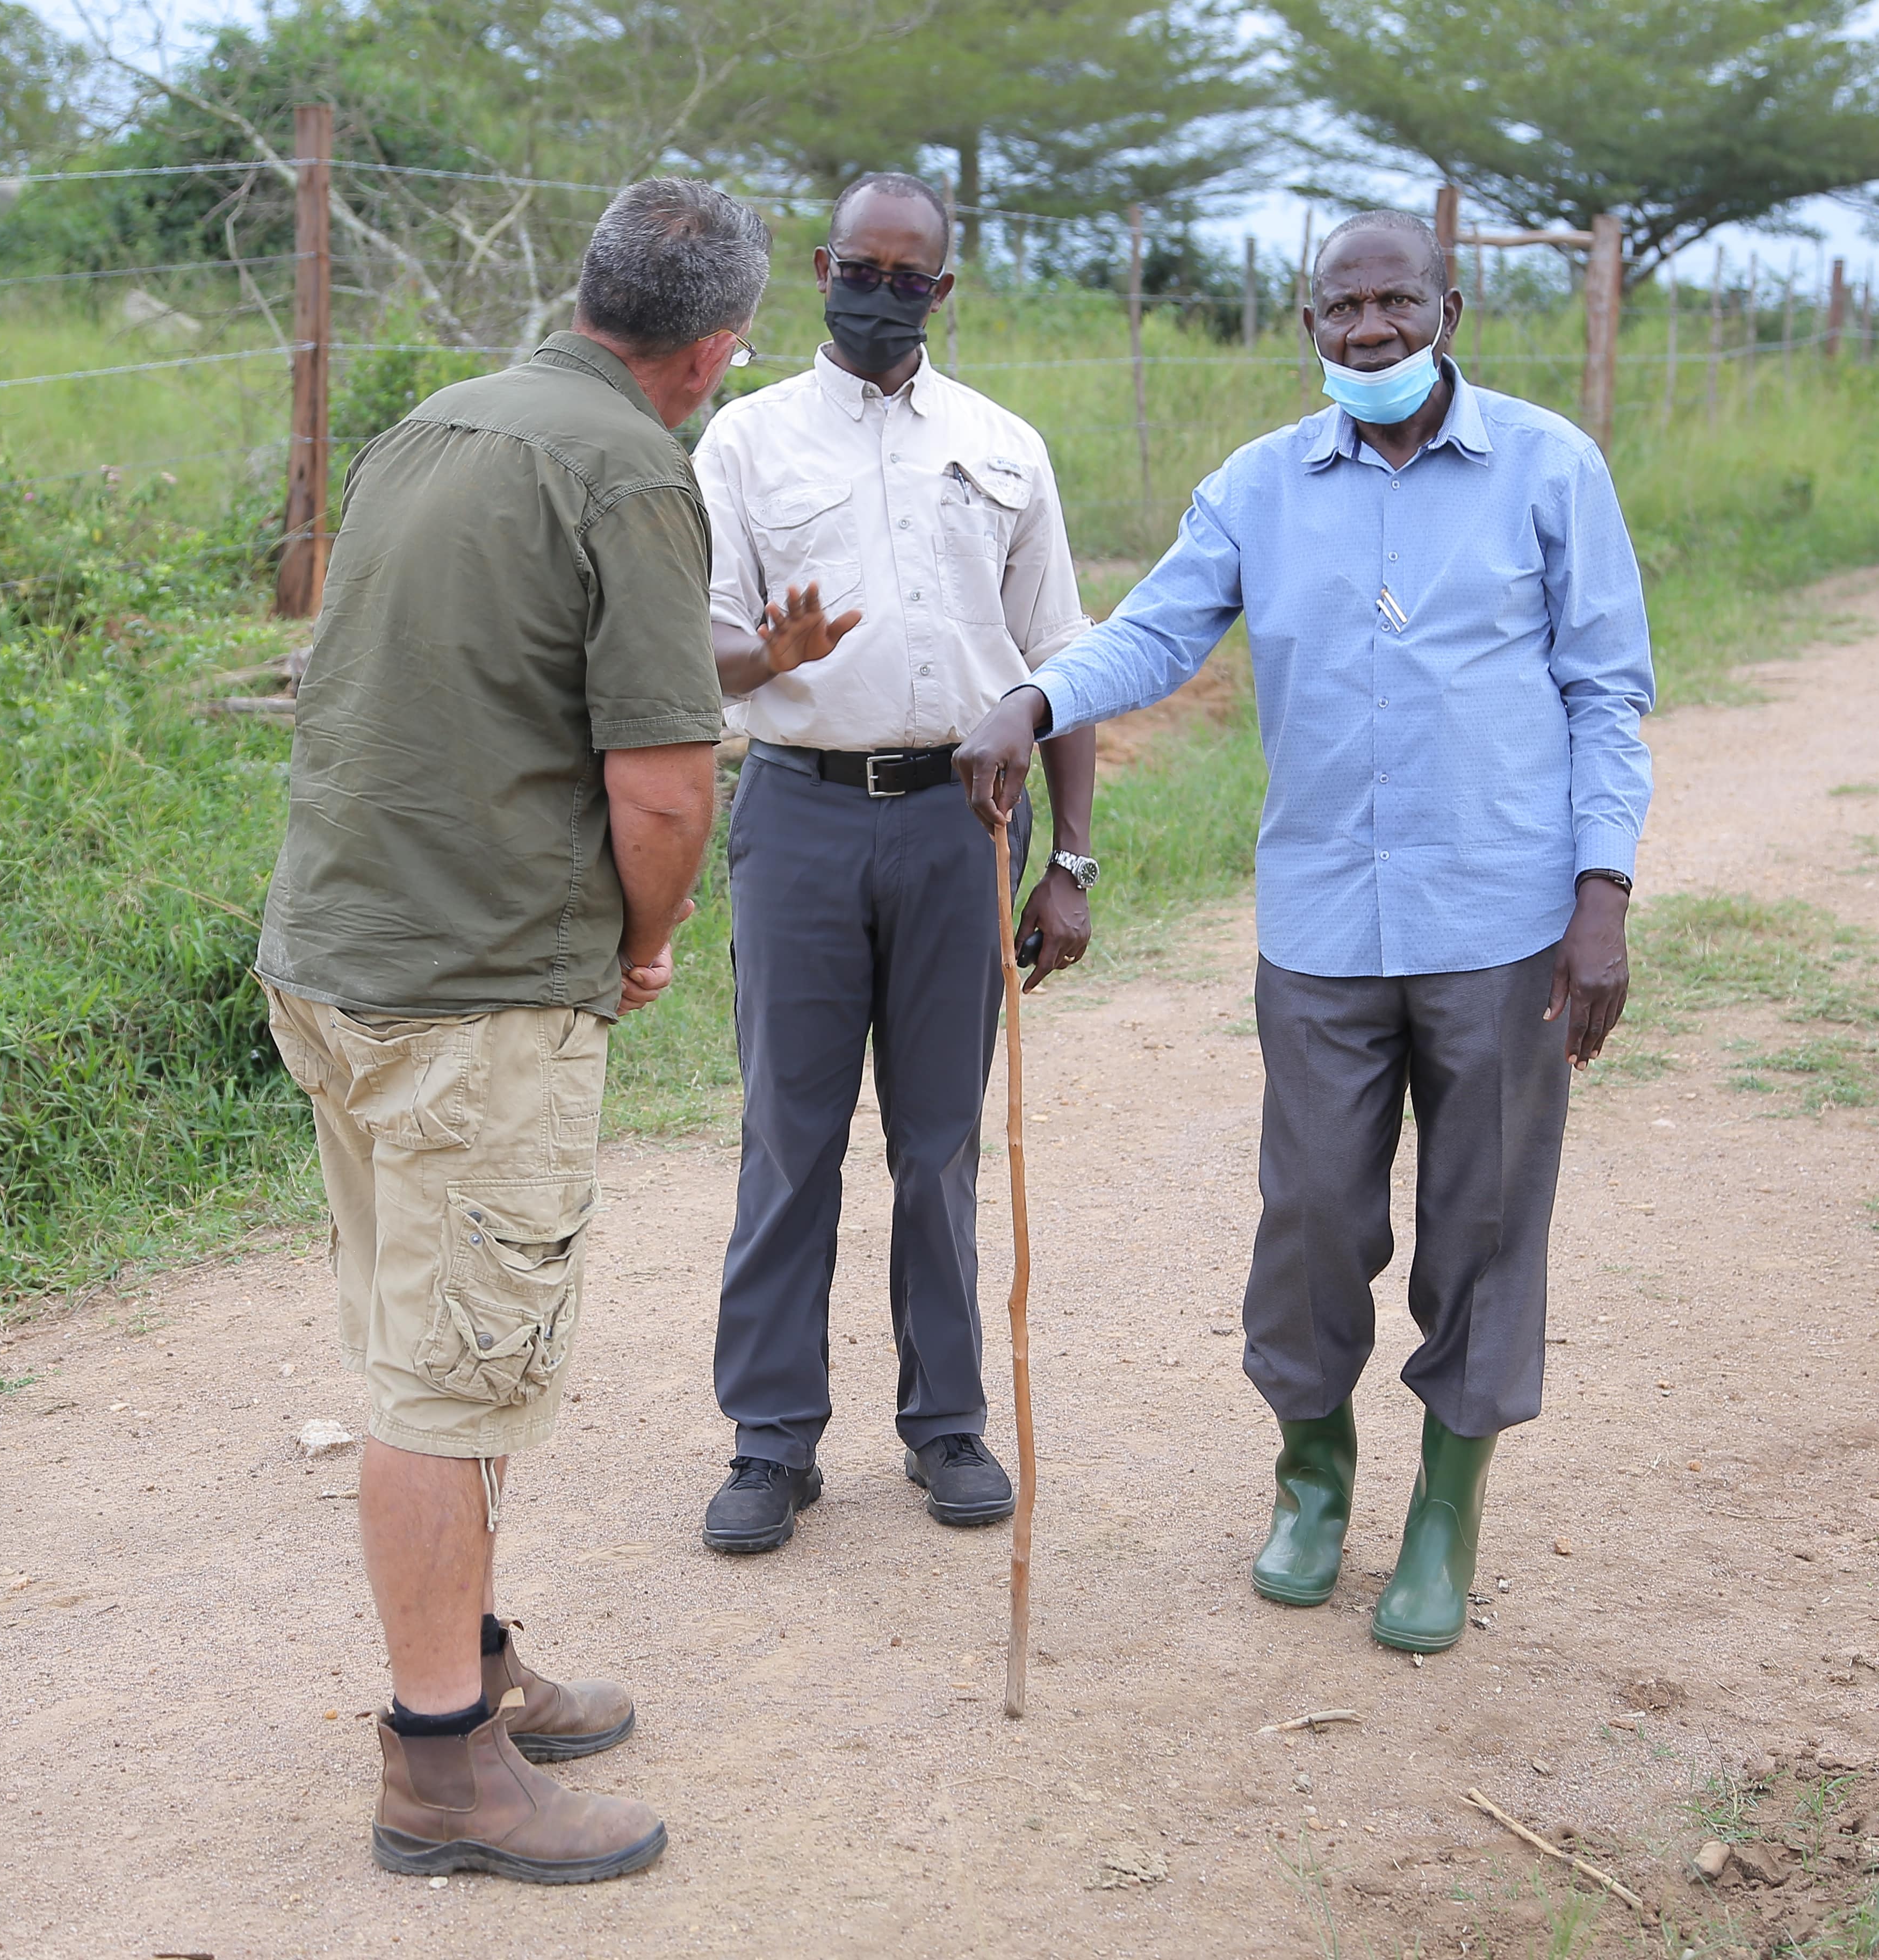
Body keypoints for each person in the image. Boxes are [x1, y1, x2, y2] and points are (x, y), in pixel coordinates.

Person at [956, 208, 1652, 1654]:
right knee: (1316, 1220)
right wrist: (1037, 698)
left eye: (1398, 301)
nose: (1372, 331)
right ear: (1311, 325)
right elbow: (1157, 631)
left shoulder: (1547, 468)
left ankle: (1445, 1517)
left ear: (1448, 307)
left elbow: (1606, 688)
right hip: (1326, 924)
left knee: (1484, 1218)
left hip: (1507, 920)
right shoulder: (1261, 486)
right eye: (1344, 308)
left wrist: (1603, 896)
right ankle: (1313, 1477)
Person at [252, 178, 765, 1880]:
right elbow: (668, 794)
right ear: (709, 352)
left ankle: (468, 1659)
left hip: (336, 960)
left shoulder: (431, 428)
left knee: (427, 1344)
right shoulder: (633, 468)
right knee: (449, 1382)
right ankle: (440, 1769)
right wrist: (641, 947)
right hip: (474, 995)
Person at [690, 172, 1100, 1555]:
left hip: (963, 824)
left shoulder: (1002, 446)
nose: (878, 294)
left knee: (938, 1147)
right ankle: (771, 1440)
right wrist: (773, 656)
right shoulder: (742, 444)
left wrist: (1075, 862)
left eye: (905, 276)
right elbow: (700, 646)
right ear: (819, 268)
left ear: (943, 287)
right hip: (799, 813)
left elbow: (1061, 665)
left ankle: (947, 1428)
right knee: (788, 1137)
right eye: (855, 270)